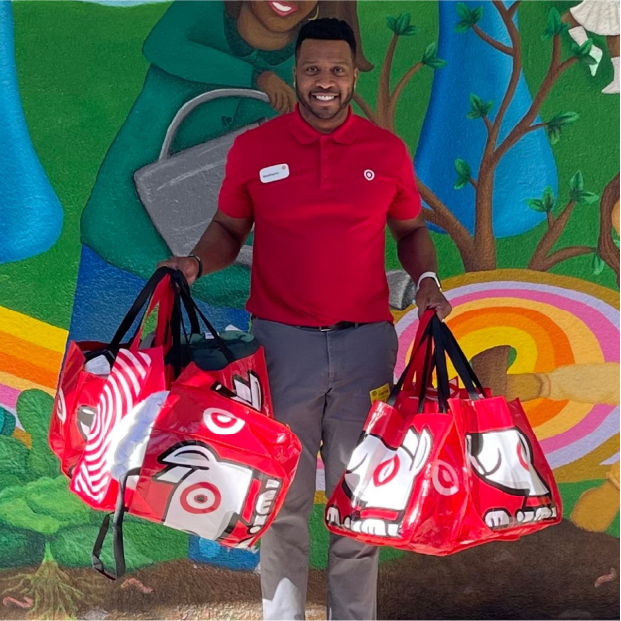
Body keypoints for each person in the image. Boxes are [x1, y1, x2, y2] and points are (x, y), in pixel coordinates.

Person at [160, 18, 451, 621]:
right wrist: (194, 262)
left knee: (360, 503)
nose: (325, 82)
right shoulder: (256, 148)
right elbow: (228, 229)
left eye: (337, 71)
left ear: (351, 77)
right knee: (283, 502)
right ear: (296, 74)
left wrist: (426, 281)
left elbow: (412, 230)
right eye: (313, 69)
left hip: (366, 350)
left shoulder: (384, 152)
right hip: (280, 349)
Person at [80, 0, 371, 283]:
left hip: (226, 272)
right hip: (124, 237)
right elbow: (163, 46)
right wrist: (254, 78)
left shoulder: (314, 57)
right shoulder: (202, 10)